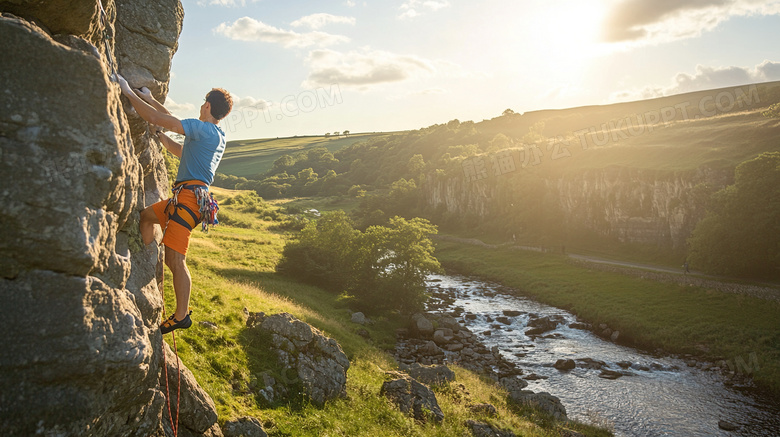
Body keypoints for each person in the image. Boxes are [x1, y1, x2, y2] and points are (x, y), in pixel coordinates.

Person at [117, 74, 233, 334]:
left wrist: (128, 93)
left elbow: (160, 119)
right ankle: (147, 257)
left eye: (203, 102)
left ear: (207, 106)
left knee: (175, 260)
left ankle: (182, 315)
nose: (201, 105)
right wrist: (152, 106)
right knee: (146, 217)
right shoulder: (214, 135)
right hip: (184, 198)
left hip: (189, 201)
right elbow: (181, 149)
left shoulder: (203, 129)